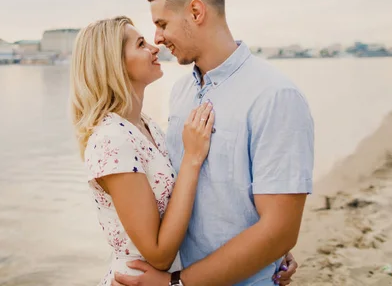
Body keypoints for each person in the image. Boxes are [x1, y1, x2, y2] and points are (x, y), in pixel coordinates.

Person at [111, 0, 314, 286]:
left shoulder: (275, 96)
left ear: (195, 12)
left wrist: (177, 283)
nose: (157, 38)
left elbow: (280, 229)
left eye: (162, 24)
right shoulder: (180, 92)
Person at [69, 16, 298, 286]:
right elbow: (158, 255)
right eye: (141, 44)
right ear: (114, 65)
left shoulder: (145, 124)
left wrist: (267, 251)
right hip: (140, 279)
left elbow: (196, 197)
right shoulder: (110, 139)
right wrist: (192, 157)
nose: (155, 46)